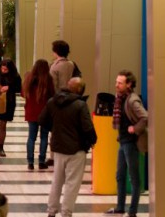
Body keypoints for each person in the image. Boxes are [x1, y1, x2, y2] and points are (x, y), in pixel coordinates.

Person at [39, 78, 97, 217]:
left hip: (58, 148)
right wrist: (92, 140)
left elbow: (42, 120)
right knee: (72, 184)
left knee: (57, 181)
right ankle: (66, 213)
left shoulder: (53, 101)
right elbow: (87, 127)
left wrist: (55, 130)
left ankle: (51, 211)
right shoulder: (80, 105)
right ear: (79, 90)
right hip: (76, 149)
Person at [105, 70, 148, 217]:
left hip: (131, 143)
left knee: (134, 179)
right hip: (123, 142)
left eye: (120, 83)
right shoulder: (120, 98)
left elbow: (145, 117)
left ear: (129, 84)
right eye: (116, 82)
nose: (116, 85)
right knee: (120, 176)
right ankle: (120, 207)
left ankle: (132, 212)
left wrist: (135, 129)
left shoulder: (132, 100)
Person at [22, 59, 55, 170]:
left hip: (31, 112)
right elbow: (52, 95)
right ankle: (41, 161)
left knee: (31, 137)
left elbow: (23, 93)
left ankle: (30, 162)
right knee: (44, 137)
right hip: (44, 113)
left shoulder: (28, 78)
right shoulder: (48, 79)